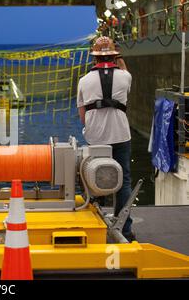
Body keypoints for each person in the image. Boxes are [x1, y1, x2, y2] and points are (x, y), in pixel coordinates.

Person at [77, 36, 135, 242]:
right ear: (115, 54)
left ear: (93, 58)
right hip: (120, 134)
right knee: (124, 180)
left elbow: (82, 113)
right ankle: (125, 228)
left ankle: (95, 223)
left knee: (93, 179)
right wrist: (119, 59)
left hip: (96, 136)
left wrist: (90, 127)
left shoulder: (84, 81)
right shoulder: (125, 76)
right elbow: (124, 75)